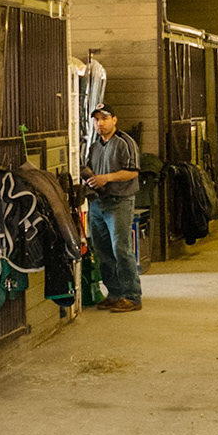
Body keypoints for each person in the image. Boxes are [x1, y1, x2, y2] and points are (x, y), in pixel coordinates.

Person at [81, 104, 143, 312]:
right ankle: (114, 292)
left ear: (114, 120)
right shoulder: (94, 146)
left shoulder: (125, 143)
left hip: (119, 202)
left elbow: (133, 172)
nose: (100, 123)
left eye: (104, 118)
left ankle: (132, 295)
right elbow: (89, 166)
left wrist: (106, 178)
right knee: (103, 250)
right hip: (98, 203)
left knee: (121, 248)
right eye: (97, 119)